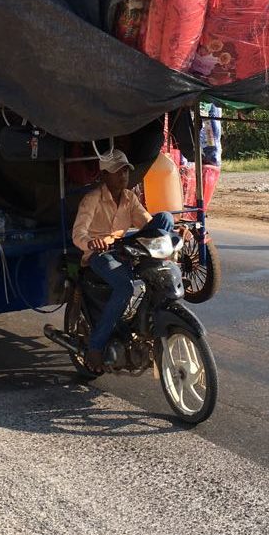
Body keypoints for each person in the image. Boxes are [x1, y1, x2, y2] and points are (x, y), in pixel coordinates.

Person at [71, 148, 176, 374]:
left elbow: (148, 224)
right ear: (104, 175)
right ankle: (96, 346)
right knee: (125, 287)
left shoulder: (130, 197)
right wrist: (91, 243)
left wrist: (171, 233)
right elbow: (78, 233)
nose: (123, 176)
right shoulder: (92, 199)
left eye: (126, 171)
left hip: (125, 249)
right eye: (117, 172)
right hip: (100, 255)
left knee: (165, 218)